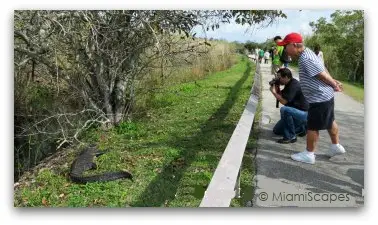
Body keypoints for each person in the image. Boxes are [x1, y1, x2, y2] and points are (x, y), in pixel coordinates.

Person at [277, 32, 345, 164]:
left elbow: (321, 74)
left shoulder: (305, 58)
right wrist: (334, 82)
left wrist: (334, 84)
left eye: (286, 46)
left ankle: (309, 154)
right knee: (330, 120)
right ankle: (335, 146)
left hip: (318, 98)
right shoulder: (308, 53)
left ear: (295, 45)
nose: (285, 49)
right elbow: (322, 69)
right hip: (324, 96)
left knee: (312, 126)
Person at [271, 68, 309, 143]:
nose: (278, 79)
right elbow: (281, 95)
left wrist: (273, 92)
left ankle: (291, 136)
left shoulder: (294, 85)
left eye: (279, 77)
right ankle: (301, 129)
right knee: (276, 131)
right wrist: (276, 86)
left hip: (304, 114)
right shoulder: (288, 83)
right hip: (295, 112)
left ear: (286, 77)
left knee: (284, 109)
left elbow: (284, 102)